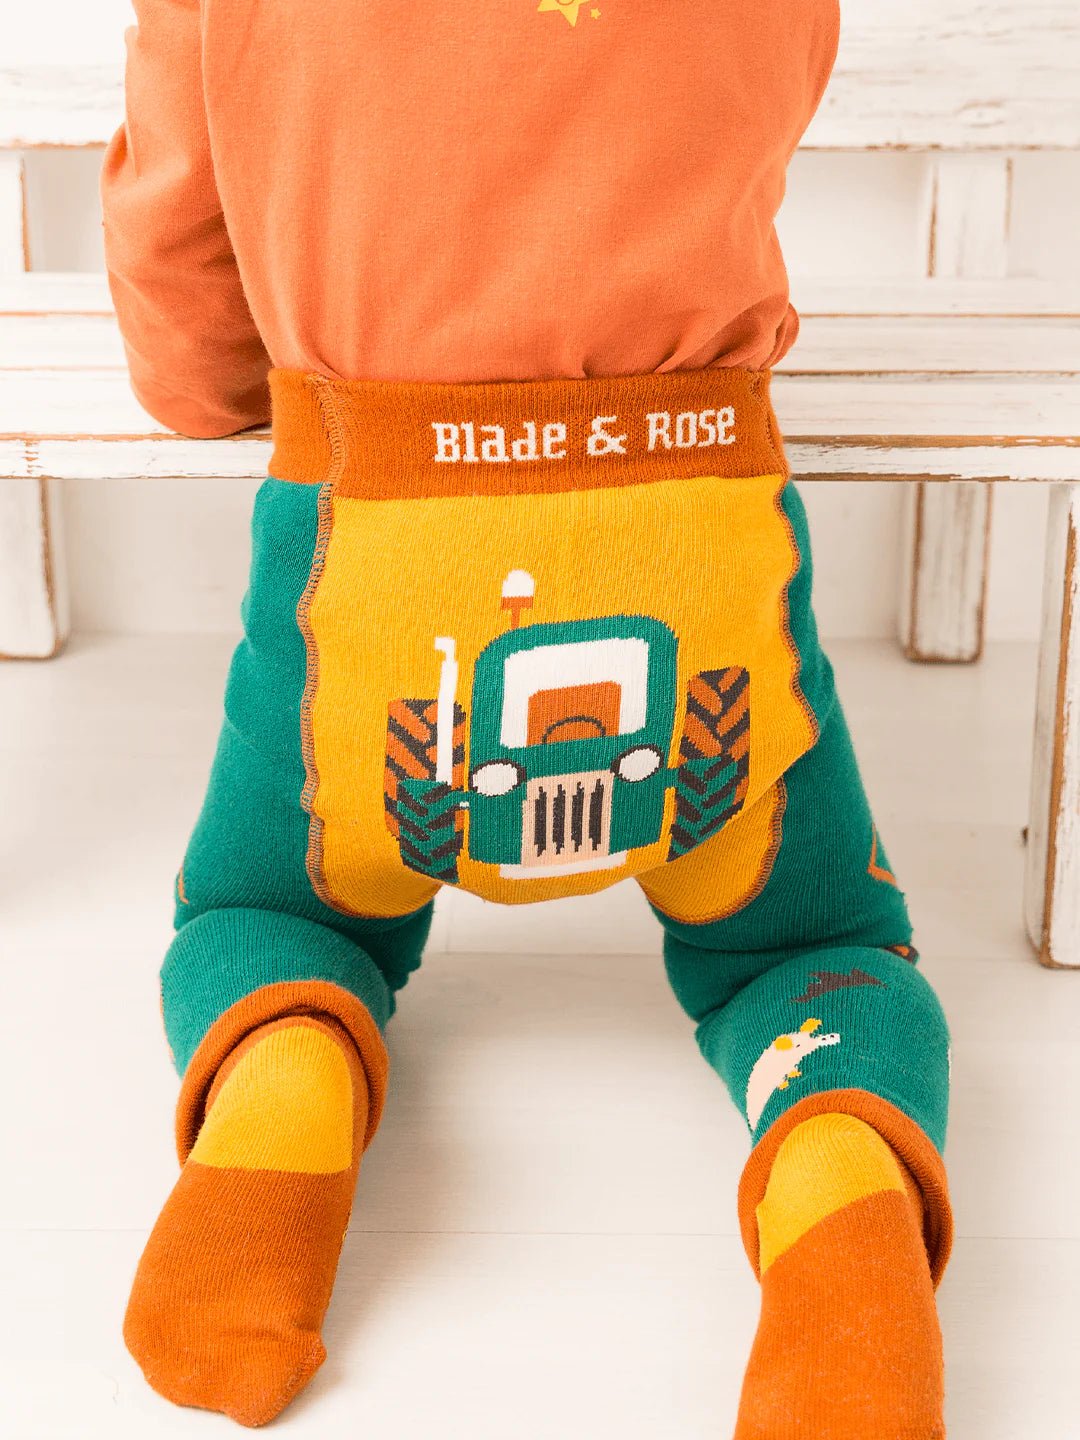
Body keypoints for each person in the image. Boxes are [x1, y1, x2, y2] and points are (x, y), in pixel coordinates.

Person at [101, 1, 952, 1433]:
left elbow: (182, 297)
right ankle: (844, 1205)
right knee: (813, 948)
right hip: (698, 549)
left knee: (270, 912)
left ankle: (283, 1087)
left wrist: (231, 380)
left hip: (379, 567)